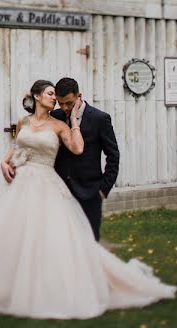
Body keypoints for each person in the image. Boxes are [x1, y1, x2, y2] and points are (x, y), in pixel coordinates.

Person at [0, 80, 176, 320]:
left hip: (65, 187)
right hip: (24, 186)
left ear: (78, 97)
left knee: (81, 244)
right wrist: (4, 162)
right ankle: (19, 287)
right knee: (19, 239)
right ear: (36, 96)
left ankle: (89, 287)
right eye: (51, 95)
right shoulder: (25, 121)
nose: (57, 102)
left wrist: (102, 186)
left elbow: (82, 150)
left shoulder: (66, 123)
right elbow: (16, 143)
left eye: (60, 99)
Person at [51, 76, 118, 241]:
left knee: (89, 241)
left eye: (69, 103)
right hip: (61, 192)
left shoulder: (99, 118)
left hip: (90, 191)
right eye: (61, 103)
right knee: (63, 241)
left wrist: (103, 189)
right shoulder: (55, 117)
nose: (65, 108)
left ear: (78, 96)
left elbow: (113, 155)